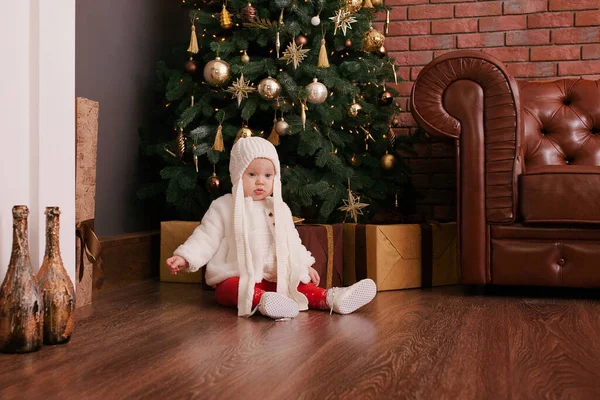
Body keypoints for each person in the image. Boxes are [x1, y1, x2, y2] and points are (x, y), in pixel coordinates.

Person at [166, 136, 376, 320]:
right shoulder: (224, 206)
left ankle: (330, 298)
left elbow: (292, 241)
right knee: (228, 289)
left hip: (276, 277)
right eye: (252, 175)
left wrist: (304, 265)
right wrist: (186, 257)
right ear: (237, 175)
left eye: (268, 176)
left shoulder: (279, 207)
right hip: (239, 276)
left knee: (299, 286)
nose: (260, 182)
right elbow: (206, 237)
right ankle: (264, 302)